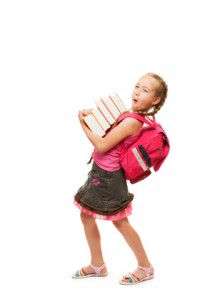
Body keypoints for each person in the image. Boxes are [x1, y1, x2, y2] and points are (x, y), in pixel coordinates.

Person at [72, 72, 168, 285]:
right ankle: (97, 265)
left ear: (155, 100)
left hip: (109, 178)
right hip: (99, 173)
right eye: (137, 86)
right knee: (86, 216)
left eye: (145, 90)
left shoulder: (133, 121)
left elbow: (102, 145)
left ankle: (145, 267)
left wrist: (83, 124)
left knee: (120, 222)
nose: (137, 91)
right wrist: (93, 118)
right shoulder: (129, 114)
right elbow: (108, 134)